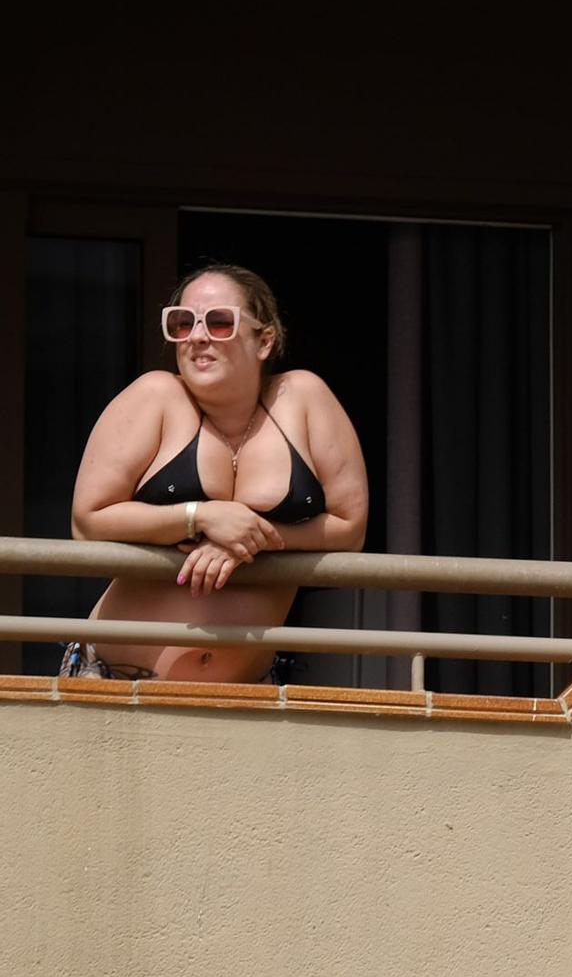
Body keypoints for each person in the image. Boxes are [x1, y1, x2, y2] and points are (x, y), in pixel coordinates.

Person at [66, 264, 368, 682]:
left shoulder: (302, 398)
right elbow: (87, 521)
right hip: (116, 679)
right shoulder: (155, 396)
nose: (198, 335)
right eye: (182, 323)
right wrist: (200, 517)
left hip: (245, 693)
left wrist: (249, 540)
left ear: (265, 341)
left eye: (220, 321)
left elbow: (350, 529)